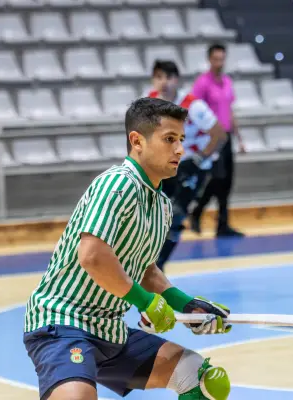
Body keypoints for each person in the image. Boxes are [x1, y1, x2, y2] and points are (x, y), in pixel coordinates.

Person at [22, 97, 232, 400]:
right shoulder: (117, 185)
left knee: (201, 379)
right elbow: (92, 256)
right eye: (169, 139)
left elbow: (144, 268)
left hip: (109, 330)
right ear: (137, 141)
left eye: (181, 140)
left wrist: (185, 305)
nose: (179, 150)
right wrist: (145, 302)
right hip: (63, 323)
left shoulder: (161, 204)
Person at [147, 60, 227, 270]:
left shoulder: (193, 105)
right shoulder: (150, 103)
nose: (162, 82)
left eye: (167, 77)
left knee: (176, 214)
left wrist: (199, 159)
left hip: (193, 164)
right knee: (152, 216)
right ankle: (147, 263)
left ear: (176, 80)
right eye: (158, 77)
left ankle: (159, 266)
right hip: (167, 165)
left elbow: (219, 135)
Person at [190, 43, 245, 238]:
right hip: (211, 137)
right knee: (217, 177)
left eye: (222, 59)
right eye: (216, 59)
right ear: (209, 60)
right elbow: (194, 110)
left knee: (227, 181)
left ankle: (223, 224)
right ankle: (197, 211)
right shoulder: (203, 83)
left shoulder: (227, 82)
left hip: (226, 136)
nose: (219, 63)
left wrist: (239, 138)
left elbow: (229, 111)